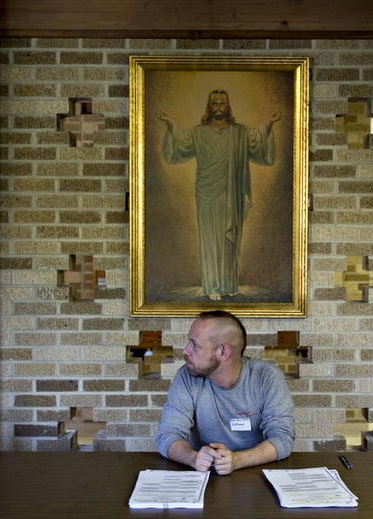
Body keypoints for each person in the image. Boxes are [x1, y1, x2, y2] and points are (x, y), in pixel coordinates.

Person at [155, 89, 284, 301]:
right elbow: (181, 142)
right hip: (207, 193)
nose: (218, 107)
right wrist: (169, 123)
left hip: (231, 193)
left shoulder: (238, 132)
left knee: (229, 242)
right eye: (214, 103)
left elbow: (256, 141)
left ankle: (228, 284)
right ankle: (212, 285)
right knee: (210, 239)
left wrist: (269, 123)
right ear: (209, 107)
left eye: (222, 104)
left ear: (228, 107)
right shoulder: (198, 132)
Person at [155, 310, 295, 475]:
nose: (185, 350)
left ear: (223, 352)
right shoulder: (186, 376)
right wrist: (193, 458)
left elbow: (283, 438)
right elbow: (168, 434)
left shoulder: (267, 377)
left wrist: (237, 460)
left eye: (194, 344)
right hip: (203, 475)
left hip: (255, 475)